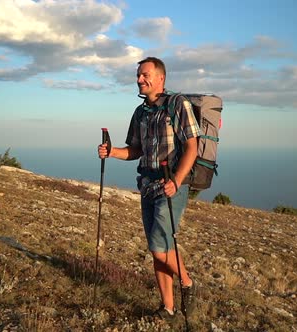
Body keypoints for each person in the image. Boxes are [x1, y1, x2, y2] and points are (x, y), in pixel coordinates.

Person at [97, 57, 199, 322]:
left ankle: (187, 283)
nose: (140, 80)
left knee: (158, 248)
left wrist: (176, 180)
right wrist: (112, 152)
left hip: (171, 187)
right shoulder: (140, 112)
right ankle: (167, 308)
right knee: (158, 249)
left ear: (161, 78)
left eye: (145, 75)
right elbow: (136, 149)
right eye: (138, 76)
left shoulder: (178, 104)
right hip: (147, 185)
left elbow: (192, 146)